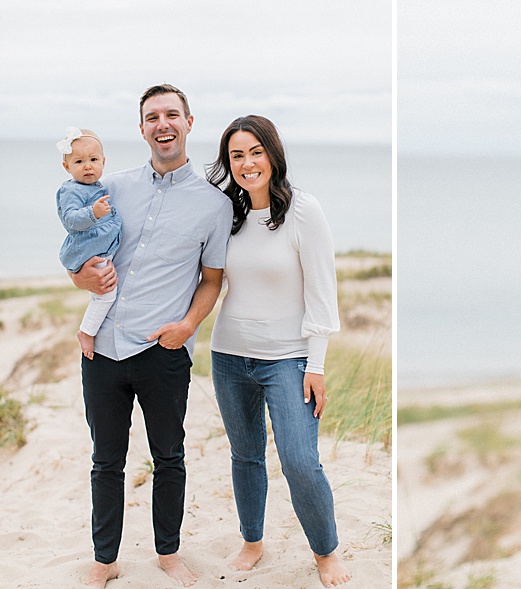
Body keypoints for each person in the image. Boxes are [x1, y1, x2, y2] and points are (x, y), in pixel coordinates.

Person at [70, 84, 233, 588]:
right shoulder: (110, 188)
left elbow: (212, 280)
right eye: (152, 117)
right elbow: (78, 250)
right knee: (105, 462)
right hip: (103, 350)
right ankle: (105, 560)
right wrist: (79, 278)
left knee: (169, 458)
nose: (163, 124)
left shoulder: (215, 205)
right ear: (141, 129)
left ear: (188, 122)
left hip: (163, 351)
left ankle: (168, 553)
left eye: (172, 115)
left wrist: (188, 326)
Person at [205, 114, 351, 588]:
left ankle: (325, 552)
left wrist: (316, 364)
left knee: (300, 461)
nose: (247, 164)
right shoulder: (226, 213)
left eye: (256, 152)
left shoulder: (303, 210)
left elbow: (322, 293)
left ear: (273, 154)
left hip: (289, 358)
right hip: (229, 355)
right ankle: (252, 542)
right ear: (228, 163)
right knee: (246, 456)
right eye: (236, 155)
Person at [54, 127, 122, 360]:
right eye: (79, 161)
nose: (87, 166)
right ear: (67, 167)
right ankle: (86, 332)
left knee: (100, 294)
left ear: (103, 161)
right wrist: (93, 212)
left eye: (93, 160)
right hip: (90, 251)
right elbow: (70, 219)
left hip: (99, 248)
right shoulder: (70, 190)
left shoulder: (96, 186)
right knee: (106, 295)